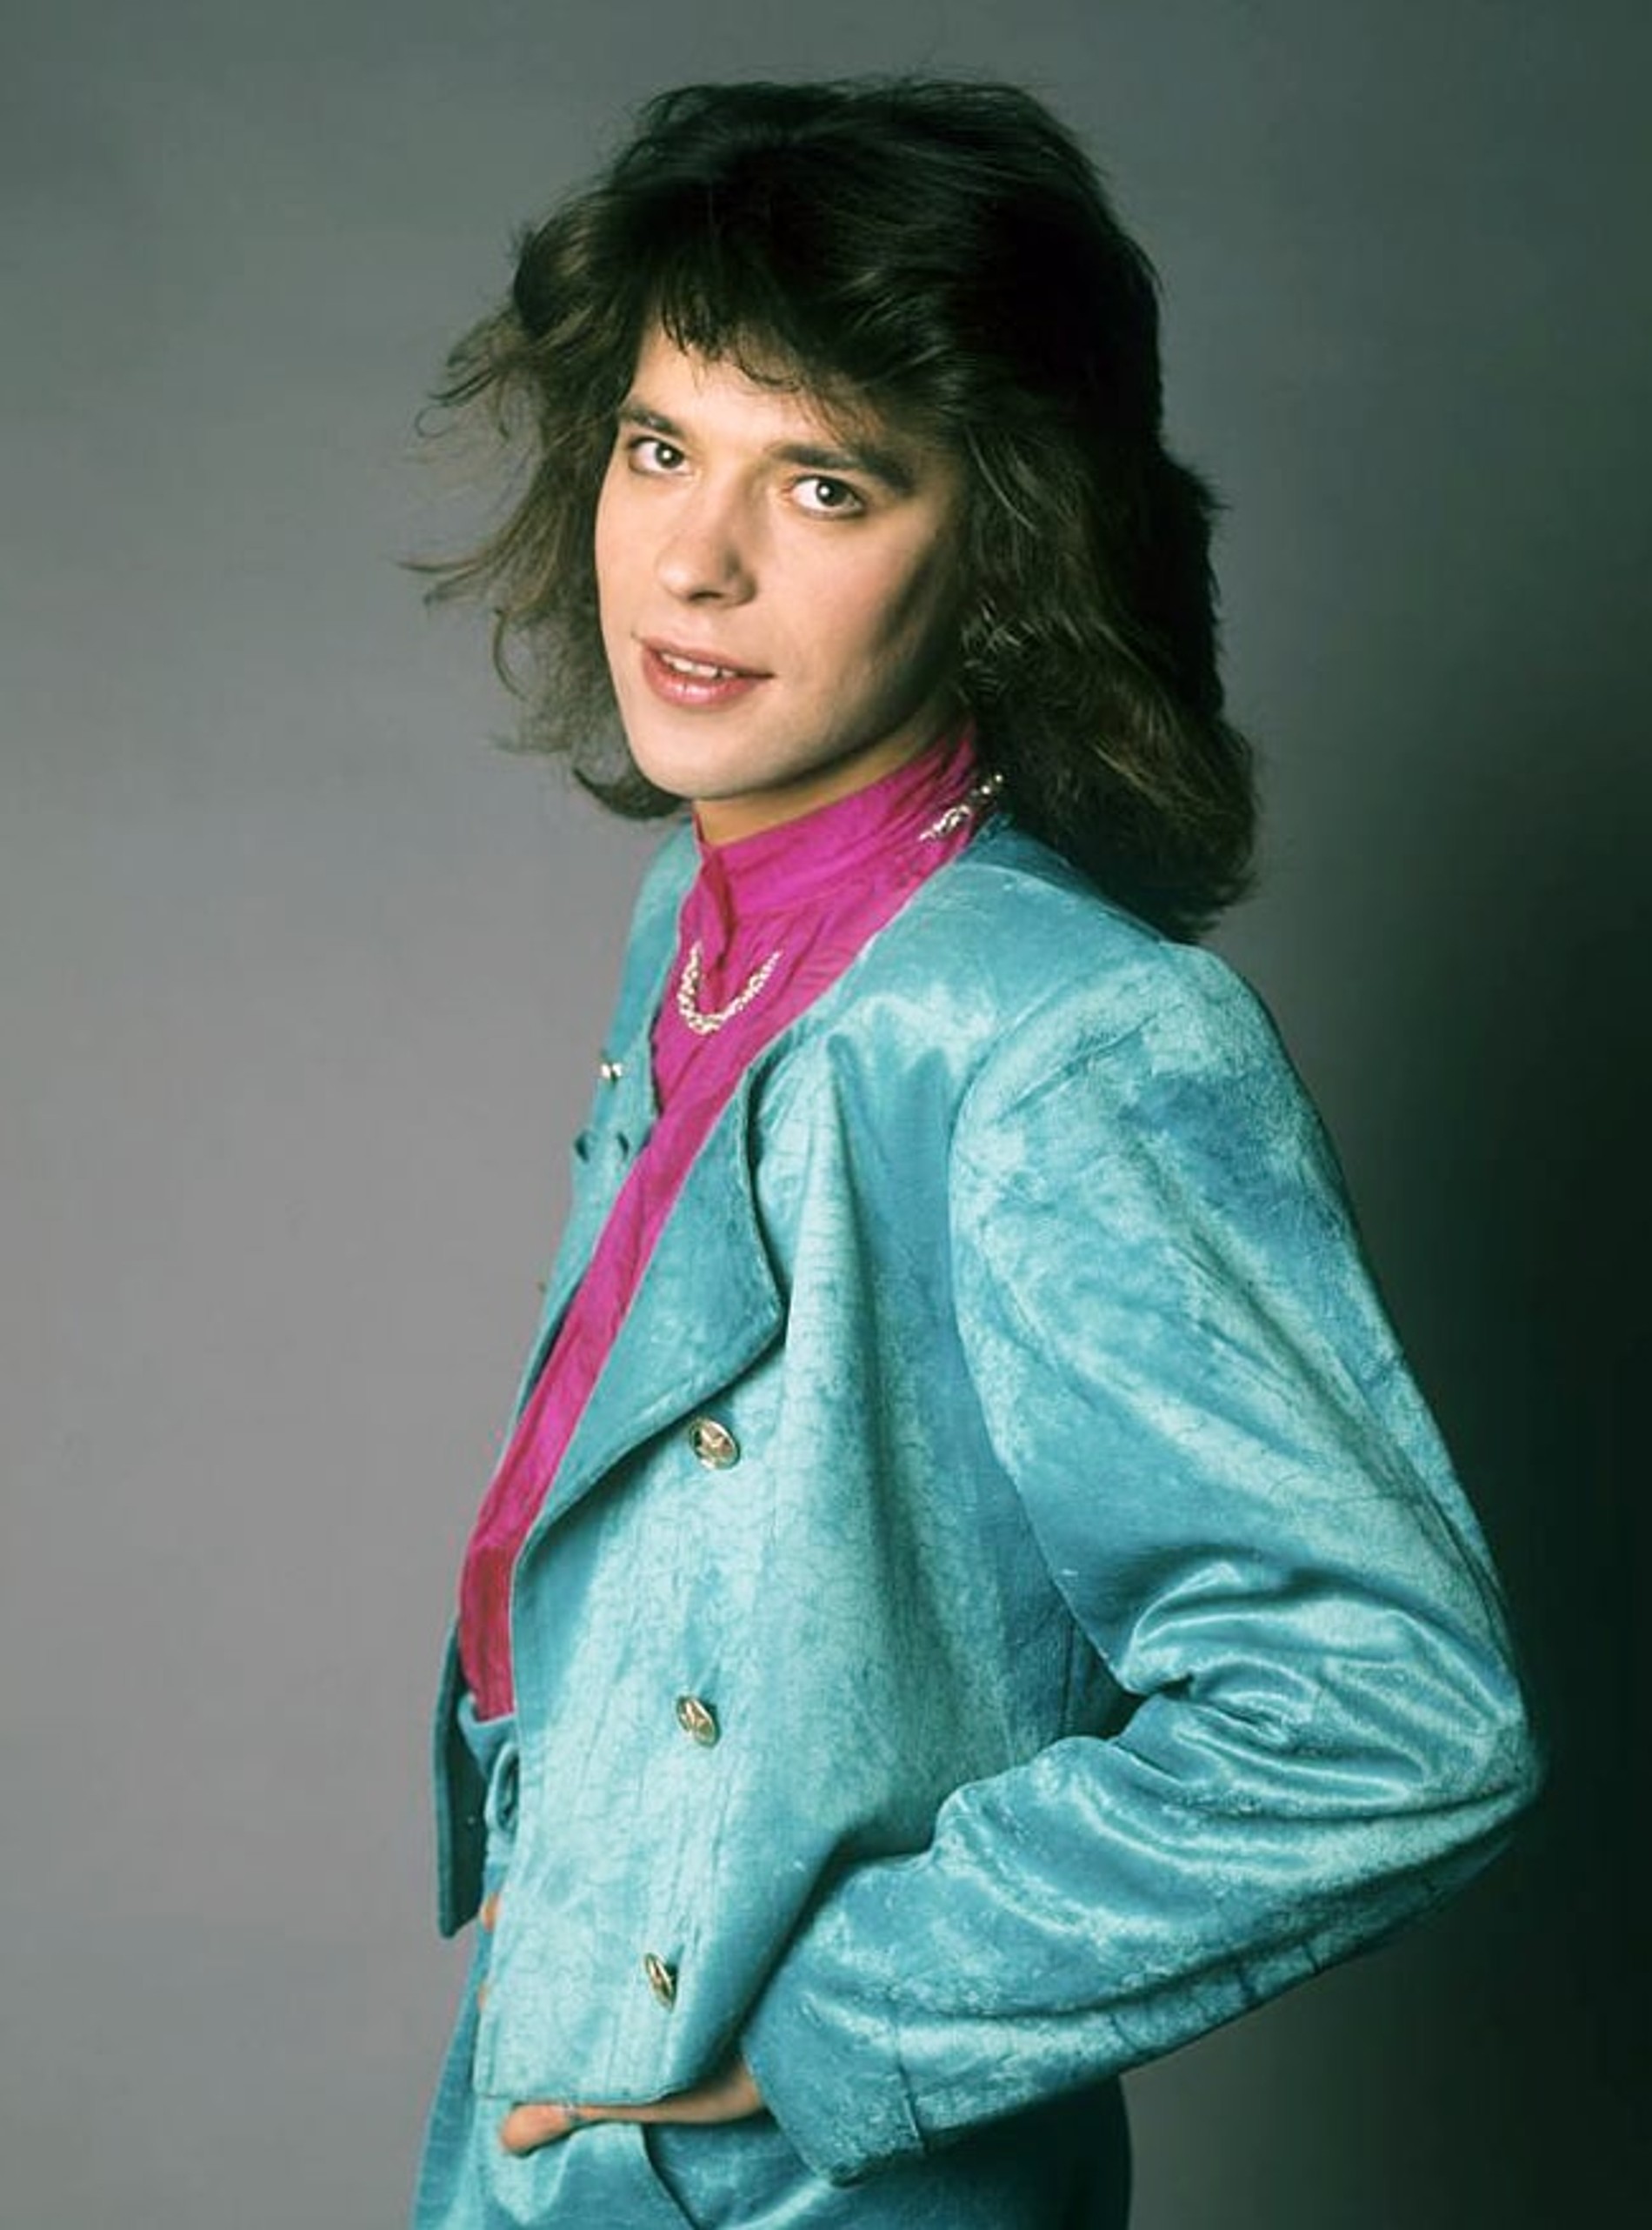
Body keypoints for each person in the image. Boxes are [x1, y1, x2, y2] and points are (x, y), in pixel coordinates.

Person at [410, 78, 1541, 2230]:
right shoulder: (702, 914)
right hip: (559, 2121)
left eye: (823, 482)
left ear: (1000, 543)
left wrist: (839, 2029)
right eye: (659, 447)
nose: (696, 558)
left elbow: (1382, 1712)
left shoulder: (1055, 1034)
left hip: (798, 2189)